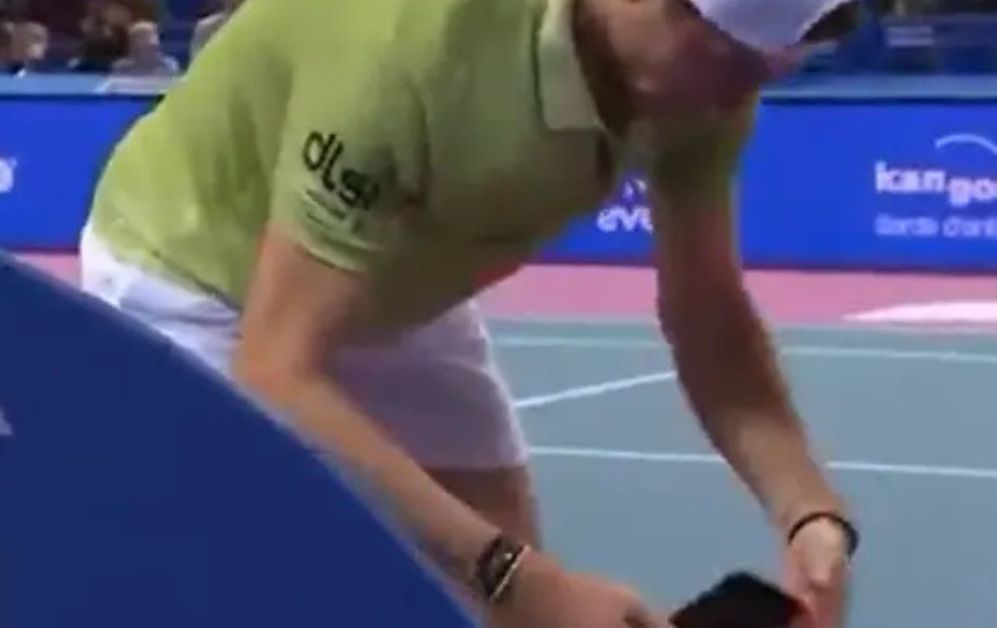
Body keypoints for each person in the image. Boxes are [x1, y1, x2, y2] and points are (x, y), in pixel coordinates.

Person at [78, 0, 863, 626]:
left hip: (390, 272)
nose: (729, 96)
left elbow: (709, 321)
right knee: (279, 587)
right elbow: (277, 369)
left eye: (761, 70)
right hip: (196, 274)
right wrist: (514, 575)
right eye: (720, 57)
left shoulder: (706, 89)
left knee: (508, 594)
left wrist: (809, 513)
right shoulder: (406, 46)